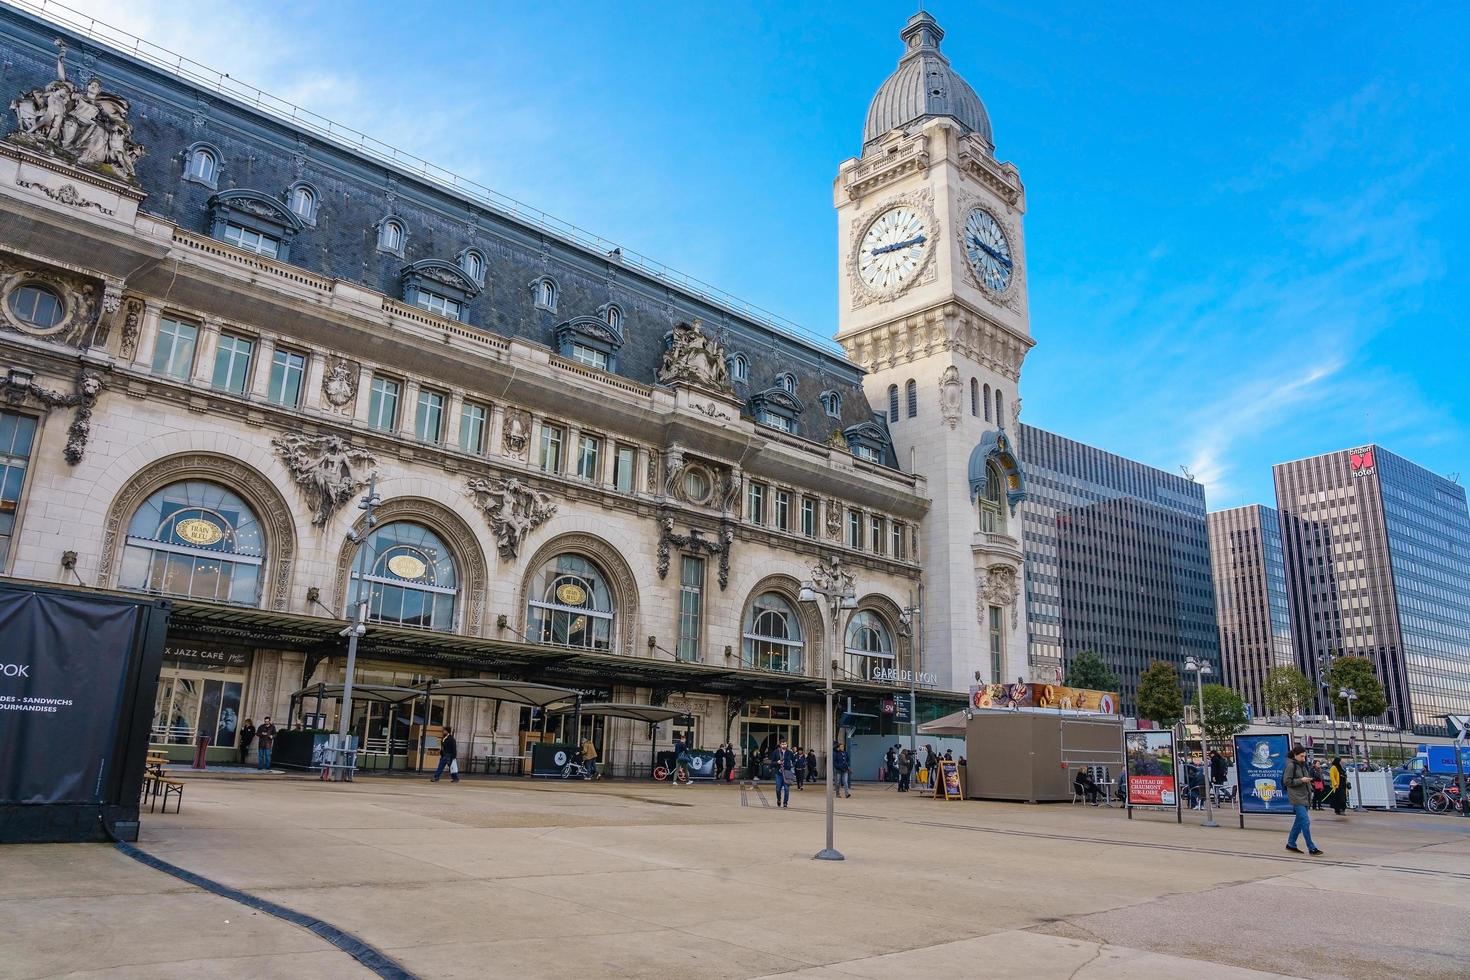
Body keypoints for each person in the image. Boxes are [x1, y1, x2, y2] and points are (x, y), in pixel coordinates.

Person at [1283, 744, 1324, 855]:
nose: (1303, 758)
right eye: (1301, 756)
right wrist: (1301, 780)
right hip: (1297, 798)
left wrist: (1309, 784)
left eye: (1304, 756)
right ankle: (1311, 847)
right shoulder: (1291, 766)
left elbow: (1303, 779)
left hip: (1305, 796)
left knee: (1299, 822)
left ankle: (1291, 843)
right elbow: (1286, 781)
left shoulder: (1303, 765)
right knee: (1305, 822)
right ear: (1295, 755)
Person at [771, 739, 793, 808]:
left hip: (787, 773)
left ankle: (785, 803)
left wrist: (791, 765)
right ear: (780, 745)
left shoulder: (789, 752)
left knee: (787, 789)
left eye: (785, 744)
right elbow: (772, 763)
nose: (784, 745)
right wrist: (777, 762)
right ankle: (779, 799)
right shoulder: (776, 752)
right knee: (778, 789)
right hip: (779, 773)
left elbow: (794, 761)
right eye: (783, 744)